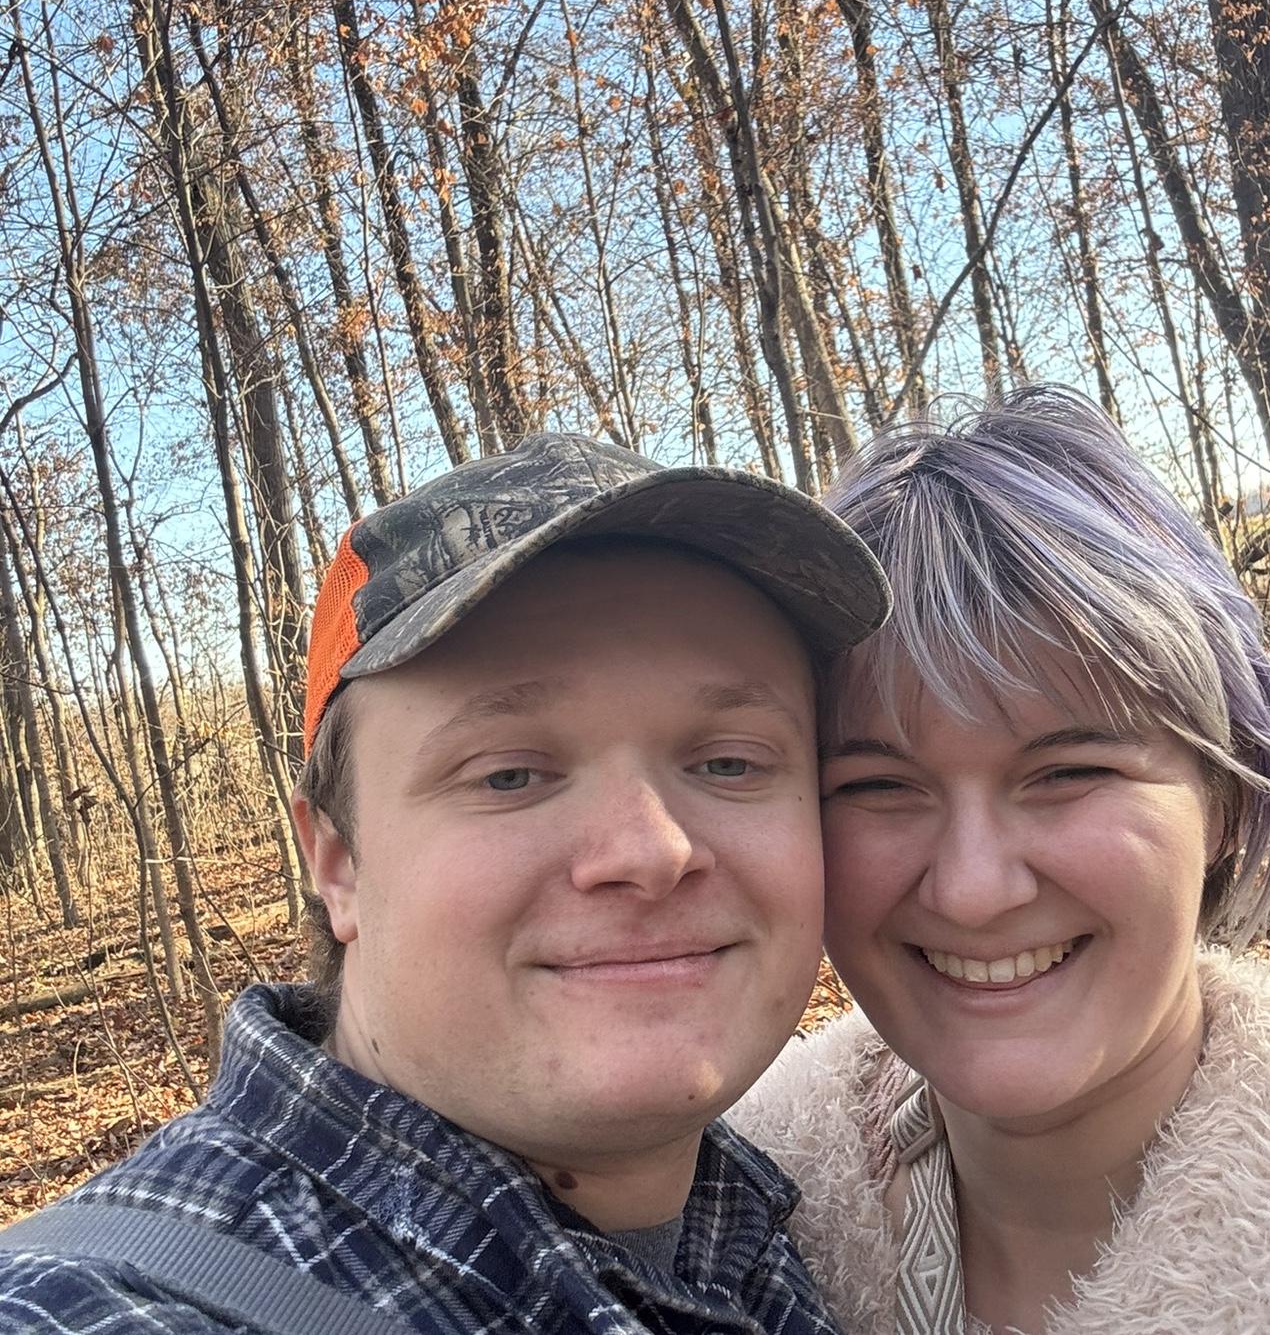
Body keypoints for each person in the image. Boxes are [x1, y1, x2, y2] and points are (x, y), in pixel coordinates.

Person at [0, 433, 889, 1334]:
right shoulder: (92, 1308)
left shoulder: (803, 1225)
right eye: (510, 775)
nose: (652, 850)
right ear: (337, 861)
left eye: (731, 762)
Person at [731, 386, 1270, 1335]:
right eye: (878, 785)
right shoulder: (717, 1215)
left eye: (1067, 773)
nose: (973, 890)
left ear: (1227, 797)